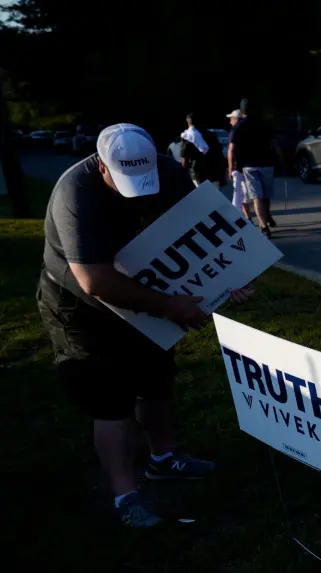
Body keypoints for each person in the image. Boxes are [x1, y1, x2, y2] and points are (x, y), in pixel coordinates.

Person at [36, 123, 255, 528]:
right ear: (101, 166)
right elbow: (94, 280)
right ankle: (126, 495)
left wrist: (232, 278)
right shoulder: (75, 192)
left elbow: (204, 231)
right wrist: (168, 306)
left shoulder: (170, 172)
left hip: (146, 286)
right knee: (110, 397)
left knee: (154, 377)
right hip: (79, 304)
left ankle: (163, 458)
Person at [228, 102, 279, 238]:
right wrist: (280, 159)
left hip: (249, 165)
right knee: (267, 195)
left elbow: (232, 149)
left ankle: (263, 227)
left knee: (257, 197)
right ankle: (266, 216)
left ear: (242, 111)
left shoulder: (239, 126)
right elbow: (274, 144)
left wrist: (231, 167)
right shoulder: (264, 124)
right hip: (267, 163)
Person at [178, 113, 223, 187]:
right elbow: (219, 153)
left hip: (197, 173)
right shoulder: (212, 135)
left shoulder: (187, 136)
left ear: (189, 123)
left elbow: (184, 160)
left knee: (201, 196)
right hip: (214, 173)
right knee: (213, 197)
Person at [225, 109, 252, 219]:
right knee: (246, 195)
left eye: (231, 119)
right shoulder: (248, 131)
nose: (230, 121)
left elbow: (231, 150)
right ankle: (248, 218)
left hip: (238, 167)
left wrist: (230, 168)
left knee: (239, 195)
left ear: (236, 119)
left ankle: (240, 218)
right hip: (248, 165)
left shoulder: (234, 132)